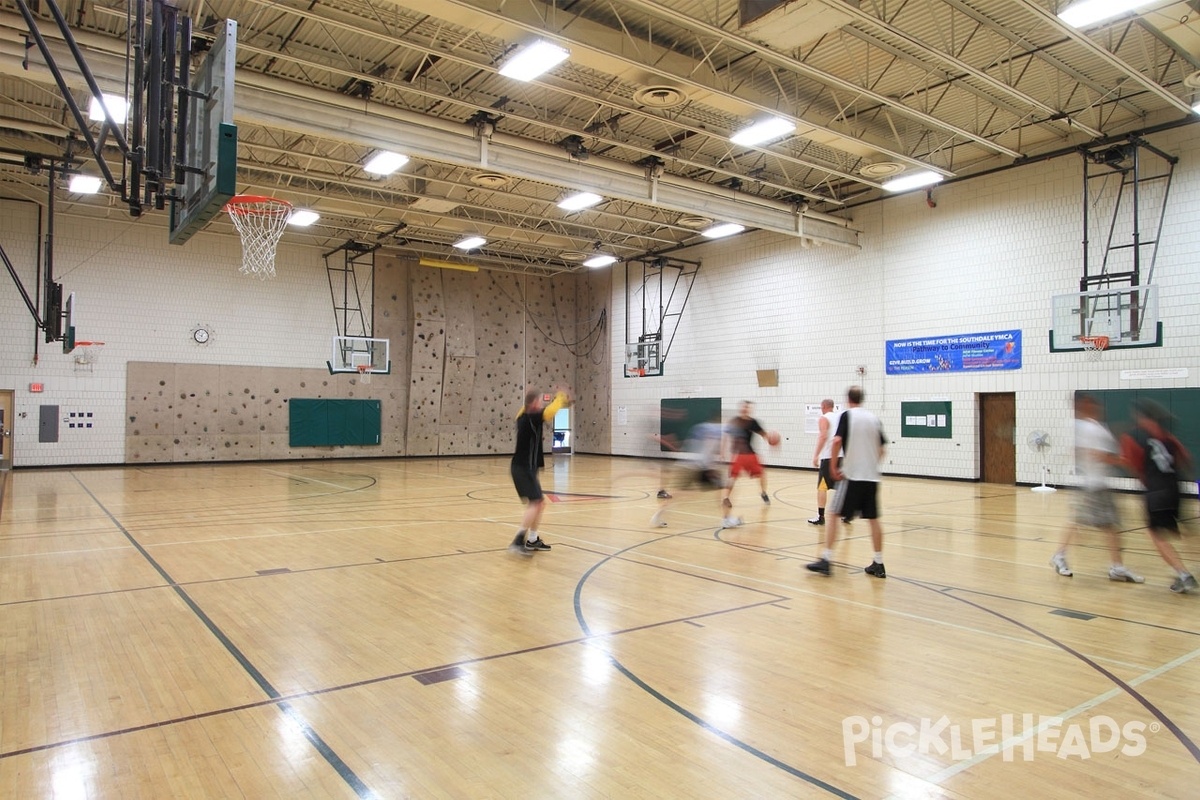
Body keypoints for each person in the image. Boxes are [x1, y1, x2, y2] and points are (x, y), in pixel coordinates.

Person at [1050, 393, 1143, 582]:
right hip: (1091, 486)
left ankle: (1116, 567)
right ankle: (1059, 556)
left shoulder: (1092, 427)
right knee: (1080, 521)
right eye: (1092, 403)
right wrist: (1123, 460)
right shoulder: (1087, 428)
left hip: (1098, 484)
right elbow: (1095, 454)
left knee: (1109, 524)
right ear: (1084, 405)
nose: (1098, 406)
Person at [806, 386, 887, 578]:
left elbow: (835, 442)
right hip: (871, 477)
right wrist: (871, 464)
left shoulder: (847, 416)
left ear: (848, 399)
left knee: (833, 514)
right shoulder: (874, 419)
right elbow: (882, 450)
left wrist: (833, 466)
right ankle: (879, 562)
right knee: (874, 520)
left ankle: (826, 559)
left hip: (852, 476)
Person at [1120, 398, 1197, 593]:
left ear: (1142, 417)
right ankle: (1184, 571)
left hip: (1155, 490)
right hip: (1175, 488)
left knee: (1157, 536)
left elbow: (1132, 463)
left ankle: (1183, 574)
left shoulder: (1133, 436)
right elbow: (1186, 458)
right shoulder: (1168, 437)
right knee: (1182, 531)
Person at [509, 388, 569, 554]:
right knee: (536, 503)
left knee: (539, 503)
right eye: (541, 401)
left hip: (525, 467)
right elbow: (550, 412)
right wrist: (560, 396)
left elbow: (531, 408)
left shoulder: (521, 416)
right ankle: (518, 540)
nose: (543, 404)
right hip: (523, 468)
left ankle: (532, 539)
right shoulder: (532, 417)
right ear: (534, 403)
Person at [651, 414, 727, 528]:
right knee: (724, 488)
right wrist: (711, 467)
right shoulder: (715, 433)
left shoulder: (700, 428)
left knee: (679, 493)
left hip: (687, 464)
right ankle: (726, 519)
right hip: (697, 466)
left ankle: (657, 515)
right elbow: (707, 451)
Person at [720, 401, 776, 520]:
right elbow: (725, 436)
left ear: (750, 409)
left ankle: (763, 493)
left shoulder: (753, 422)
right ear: (740, 408)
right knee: (732, 478)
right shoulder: (735, 421)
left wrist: (771, 441)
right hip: (738, 455)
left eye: (747, 407)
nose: (745, 409)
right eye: (744, 407)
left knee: (762, 474)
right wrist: (722, 451)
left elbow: (764, 434)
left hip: (750, 454)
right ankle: (726, 498)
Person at [808, 399, 842, 525]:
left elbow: (823, 436)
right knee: (842, 486)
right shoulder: (840, 417)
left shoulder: (824, 418)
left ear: (823, 406)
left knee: (822, 486)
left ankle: (820, 516)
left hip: (828, 456)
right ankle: (846, 514)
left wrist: (816, 455)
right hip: (842, 456)